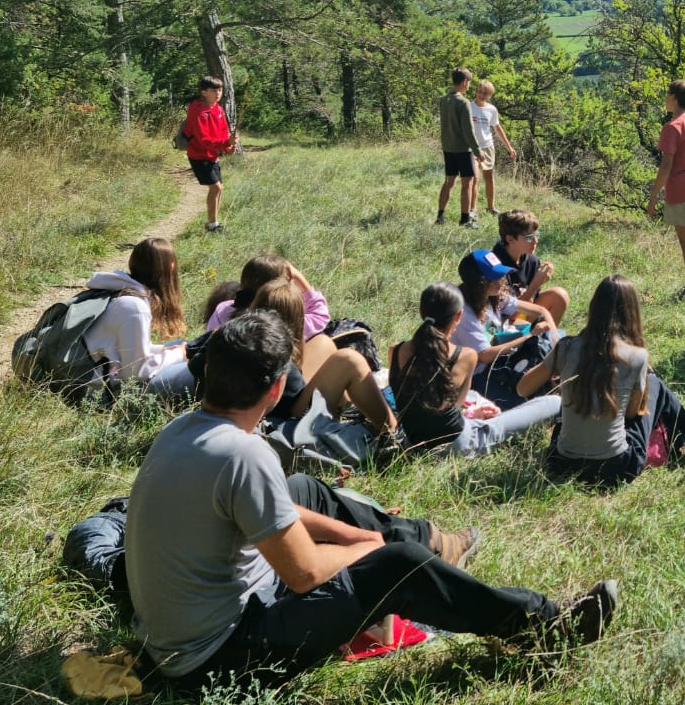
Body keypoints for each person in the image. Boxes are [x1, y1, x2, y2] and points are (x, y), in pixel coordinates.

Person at [125, 311, 618, 690]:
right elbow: (304, 573)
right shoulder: (244, 454)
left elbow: (280, 509)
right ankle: (546, 625)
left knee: (303, 489)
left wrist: (360, 535)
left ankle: (426, 539)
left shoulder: (184, 429)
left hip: (182, 636)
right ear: (276, 389)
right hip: (217, 658)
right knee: (396, 564)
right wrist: (372, 549)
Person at [517, 275, 685, 487]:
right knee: (655, 385)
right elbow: (630, 414)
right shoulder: (637, 357)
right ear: (632, 312)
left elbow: (522, 388)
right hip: (615, 468)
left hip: (561, 464)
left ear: (594, 308)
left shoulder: (565, 347)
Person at [390, 282, 561, 457]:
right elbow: (455, 405)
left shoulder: (395, 350)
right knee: (554, 403)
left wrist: (471, 413)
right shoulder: (465, 356)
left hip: (413, 443)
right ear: (459, 316)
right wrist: (473, 414)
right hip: (458, 444)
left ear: (421, 312)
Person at [240, 278, 397, 438]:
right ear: (298, 320)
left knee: (323, 342)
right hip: (289, 421)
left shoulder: (243, 338)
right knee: (349, 361)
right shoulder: (281, 356)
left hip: (278, 404)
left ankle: (350, 409)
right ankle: (394, 434)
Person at [81, 237, 189, 394]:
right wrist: (179, 355)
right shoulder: (135, 307)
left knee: (184, 344)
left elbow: (122, 349)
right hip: (94, 392)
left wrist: (164, 350)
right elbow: (137, 371)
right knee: (189, 367)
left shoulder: (117, 290)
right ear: (171, 267)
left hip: (86, 372)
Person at [647, 79, 685, 301]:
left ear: (674, 97)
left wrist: (654, 196)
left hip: (681, 189)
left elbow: (666, 164)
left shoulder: (672, 127)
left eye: (667, 94)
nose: (665, 98)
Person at [205, 255, 331, 341]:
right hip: (274, 379)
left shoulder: (223, 309)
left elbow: (207, 338)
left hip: (223, 376)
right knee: (322, 342)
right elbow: (320, 314)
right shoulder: (286, 321)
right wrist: (299, 277)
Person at [492, 209, 570, 327]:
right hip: (502, 322)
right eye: (529, 237)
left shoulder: (531, 260)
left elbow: (531, 301)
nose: (535, 241)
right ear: (510, 239)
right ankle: (526, 341)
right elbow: (508, 316)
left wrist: (533, 290)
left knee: (559, 295)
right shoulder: (496, 266)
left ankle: (548, 341)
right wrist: (535, 284)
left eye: (536, 235)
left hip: (522, 314)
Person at [183, 75, 235, 233]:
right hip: (199, 155)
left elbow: (223, 132)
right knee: (216, 187)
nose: (218, 93)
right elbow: (204, 139)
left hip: (212, 155)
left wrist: (228, 147)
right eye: (214, 90)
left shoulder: (218, 109)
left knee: (219, 188)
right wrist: (225, 144)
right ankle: (212, 225)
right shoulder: (198, 111)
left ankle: (214, 223)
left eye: (220, 89)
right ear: (204, 92)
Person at [436, 67, 479, 227]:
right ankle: (465, 219)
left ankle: (440, 216)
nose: (469, 87)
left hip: (448, 148)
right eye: (469, 83)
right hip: (462, 149)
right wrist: (478, 151)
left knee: (448, 182)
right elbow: (468, 131)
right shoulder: (463, 102)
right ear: (464, 82)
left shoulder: (444, 99)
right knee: (467, 183)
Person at [468, 79, 517, 217]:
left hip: (487, 147)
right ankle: (472, 210)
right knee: (474, 178)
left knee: (489, 178)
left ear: (489, 95)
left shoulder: (491, 110)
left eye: (485, 93)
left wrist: (509, 147)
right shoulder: (469, 107)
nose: (481, 95)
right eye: (480, 92)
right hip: (472, 148)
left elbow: (497, 128)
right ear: (476, 91)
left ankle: (491, 207)